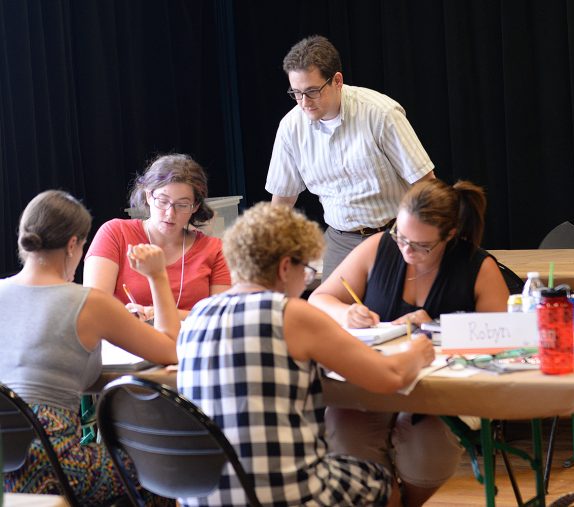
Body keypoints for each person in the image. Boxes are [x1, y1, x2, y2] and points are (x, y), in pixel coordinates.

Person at [176, 202, 435, 506]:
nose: (307, 281)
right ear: (286, 267)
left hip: (201, 494)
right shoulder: (290, 313)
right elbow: (388, 377)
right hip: (281, 494)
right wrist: (418, 349)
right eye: (307, 271)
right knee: (380, 483)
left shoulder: (197, 315)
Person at [309, 179, 510, 506]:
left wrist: (436, 329)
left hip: (441, 395)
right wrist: (347, 313)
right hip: (374, 383)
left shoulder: (477, 266)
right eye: (401, 237)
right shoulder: (378, 247)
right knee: (341, 423)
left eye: (420, 245)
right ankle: (385, 497)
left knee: (427, 440)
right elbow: (320, 298)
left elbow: (504, 337)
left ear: (449, 235)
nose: (406, 250)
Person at [0, 190, 180, 505]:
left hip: (6, 462)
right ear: (73, 244)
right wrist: (157, 276)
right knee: (158, 467)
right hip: (48, 462)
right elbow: (170, 349)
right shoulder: (87, 302)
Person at [266, 34, 436, 279]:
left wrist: (431, 240)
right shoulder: (291, 127)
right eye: (296, 93)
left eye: (312, 91)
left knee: (397, 311)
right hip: (340, 238)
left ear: (337, 81)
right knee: (328, 308)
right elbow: (282, 200)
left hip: (394, 233)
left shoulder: (380, 113)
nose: (304, 103)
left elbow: (426, 184)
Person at [84, 153, 231, 320]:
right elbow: (93, 308)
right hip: (125, 342)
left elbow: (221, 318)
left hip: (190, 343)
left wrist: (158, 314)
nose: (170, 213)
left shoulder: (215, 249)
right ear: (148, 195)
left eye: (182, 205)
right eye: (162, 201)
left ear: (195, 206)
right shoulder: (115, 233)